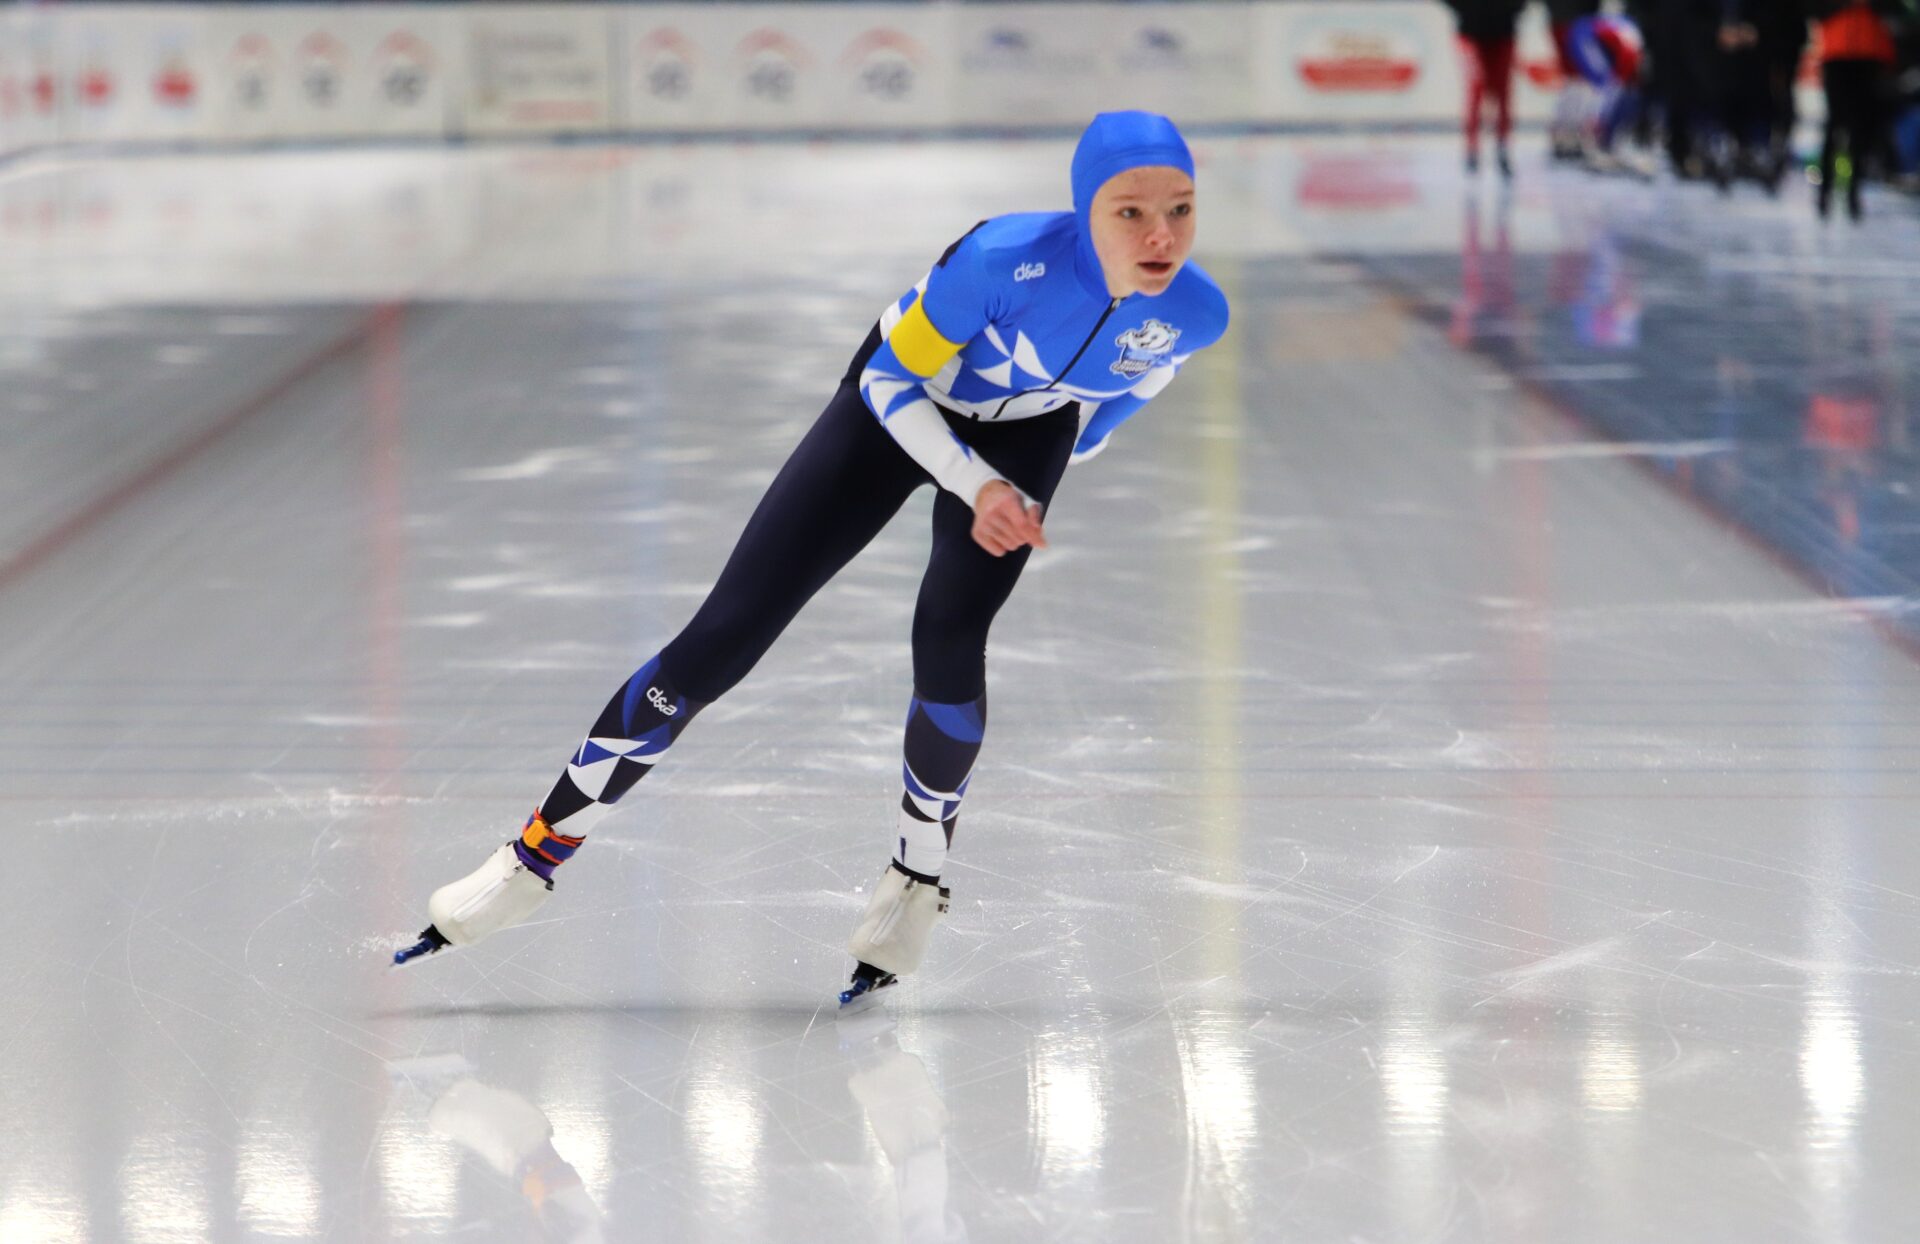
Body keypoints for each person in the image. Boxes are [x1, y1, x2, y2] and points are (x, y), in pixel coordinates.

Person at [391, 112, 1231, 1012]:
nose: (1160, 235)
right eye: (1129, 211)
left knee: (951, 642)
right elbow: (886, 382)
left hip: (1027, 436)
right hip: (896, 405)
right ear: (1083, 209)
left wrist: (1045, 457)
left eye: (1180, 209)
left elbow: (1123, 398)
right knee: (728, 633)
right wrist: (974, 481)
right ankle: (530, 859)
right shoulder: (1001, 260)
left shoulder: (1195, 312)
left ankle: (915, 883)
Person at [1815, 0, 1900, 219]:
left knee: (1860, 129)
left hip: (1869, 54)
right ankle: (1824, 191)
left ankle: (1854, 191)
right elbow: (1815, 9)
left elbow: (1894, 10)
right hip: (1837, 53)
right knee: (1834, 126)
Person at [1445, 0, 1529, 176]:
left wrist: (1509, 9)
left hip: (1503, 33)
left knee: (1503, 92)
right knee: (1476, 87)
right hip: (1470, 32)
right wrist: (1466, 9)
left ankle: (1502, 147)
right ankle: (1472, 149)